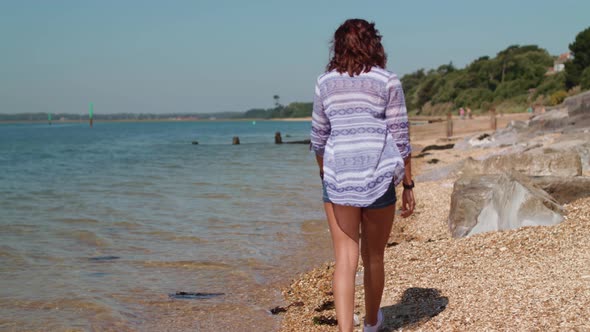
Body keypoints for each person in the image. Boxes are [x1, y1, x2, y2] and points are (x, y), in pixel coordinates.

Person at [310, 19, 415, 332]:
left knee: (344, 258)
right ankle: (371, 324)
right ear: (374, 44)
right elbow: (401, 137)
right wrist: (408, 184)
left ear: (338, 46)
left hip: (339, 179)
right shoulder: (387, 81)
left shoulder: (324, 83)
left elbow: (318, 137)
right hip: (379, 177)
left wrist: (324, 174)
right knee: (374, 256)